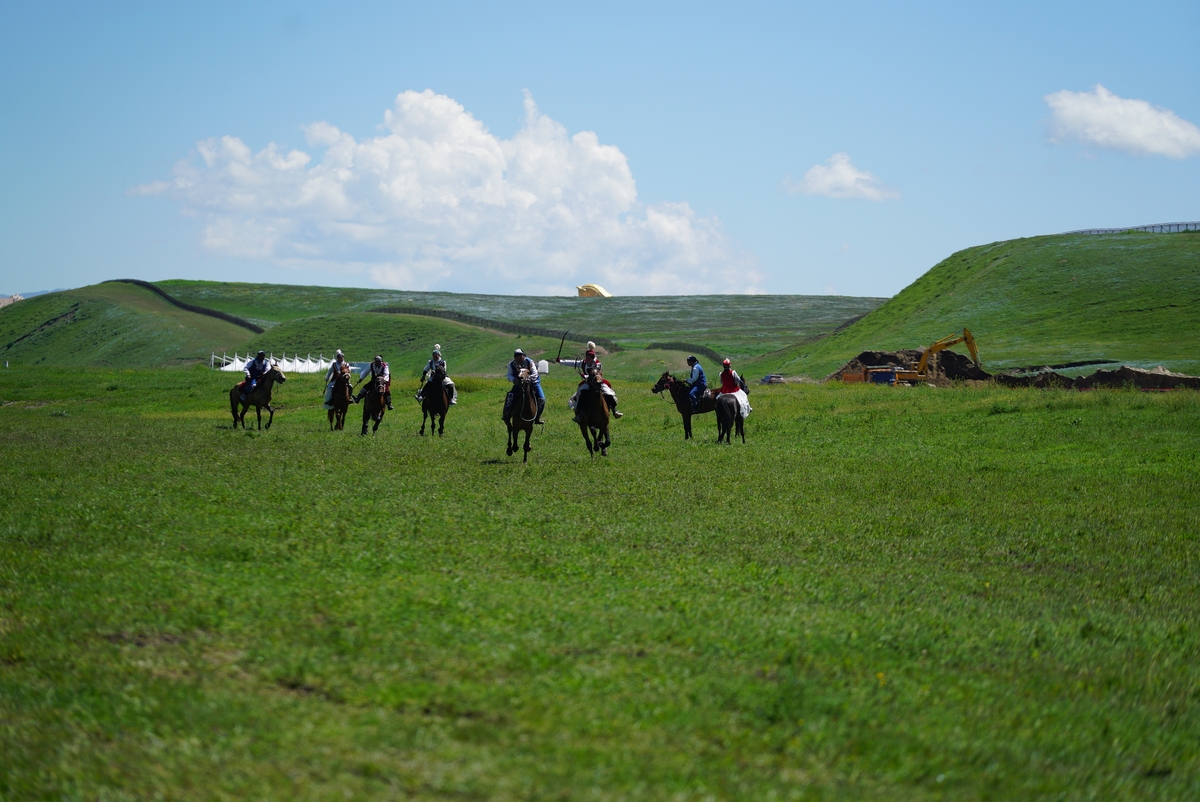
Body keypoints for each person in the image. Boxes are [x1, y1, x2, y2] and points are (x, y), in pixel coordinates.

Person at [558, 341, 621, 419]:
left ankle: (614, 410)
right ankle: (579, 414)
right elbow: (573, 362)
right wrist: (561, 361)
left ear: (592, 358)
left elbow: (595, 375)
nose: (587, 359)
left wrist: (585, 376)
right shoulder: (584, 363)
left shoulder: (598, 364)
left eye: (588, 358)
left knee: (608, 394)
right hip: (588, 383)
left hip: (598, 383)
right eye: (586, 357)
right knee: (581, 394)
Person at [505, 348, 545, 423]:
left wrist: (528, 378)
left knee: (541, 399)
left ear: (523, 356)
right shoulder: (511, 364)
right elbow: (509, 375)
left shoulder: (529, 361)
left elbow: (535, 373)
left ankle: (537, 417)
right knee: (510, 396)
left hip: (533, 383)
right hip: (519, 383)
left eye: (520, 356)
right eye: (516, 357)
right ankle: (507, 414)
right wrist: (514, 379)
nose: (518, 358)